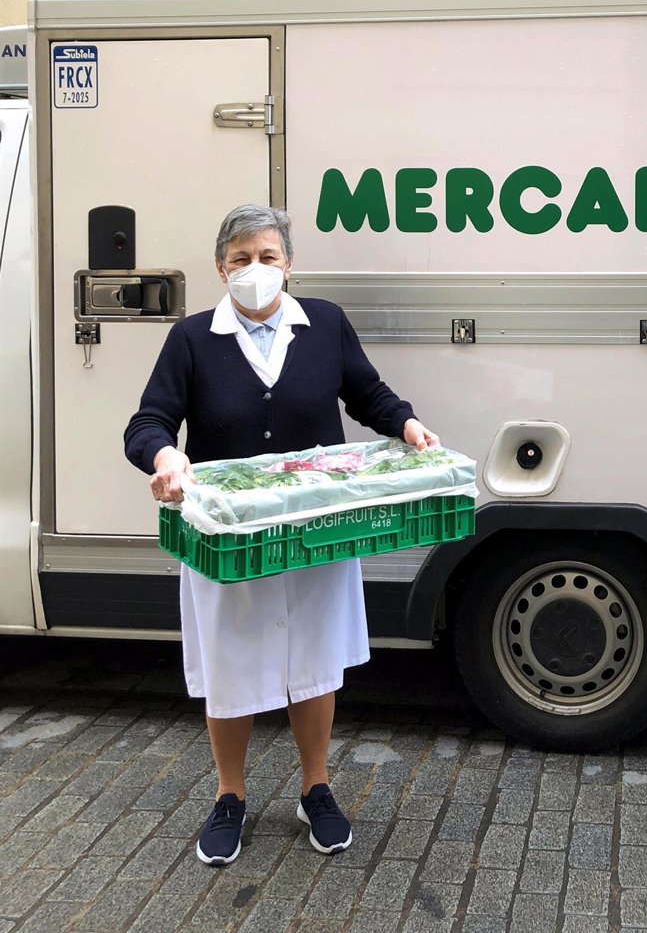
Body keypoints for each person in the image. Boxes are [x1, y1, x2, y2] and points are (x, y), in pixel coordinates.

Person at [124, 204, 441, 866]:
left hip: (316, 528)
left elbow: (368, 394)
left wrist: (406, 424)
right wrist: (166, 457)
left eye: (267, 256)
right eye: (240, 259)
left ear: (289, 264)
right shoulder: (192, 338)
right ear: (221, 268)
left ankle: (316, 788)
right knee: (230, 661)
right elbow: (148, 422)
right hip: (230, 535)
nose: (255, 269)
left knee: (315, 660)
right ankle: (230, 795)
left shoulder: (323, 324)